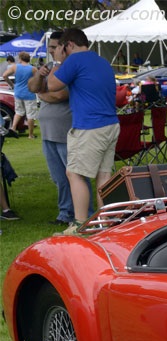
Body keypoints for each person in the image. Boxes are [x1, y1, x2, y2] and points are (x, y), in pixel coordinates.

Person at [38, 27, 118, 227]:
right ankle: (104, 223)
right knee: (104, 175)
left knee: (74, 173)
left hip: (89, 126)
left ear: (69, 45)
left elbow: (52, 85)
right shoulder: (101, 61)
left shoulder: (74, 59)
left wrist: (57, 61)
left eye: (60, 48)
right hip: (110, 124)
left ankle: (80, 225)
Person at [27, 30, 79, 228]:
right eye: (49, 48)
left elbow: (59, 95)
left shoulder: (70, 69)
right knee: (58, 177)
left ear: (65, 47)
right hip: (48, 132)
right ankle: (65, 212)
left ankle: (79, 213)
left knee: (73, 175)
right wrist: (40, 79)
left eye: (55, 47)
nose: (51, 51)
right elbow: (31, 87)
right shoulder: (49, 67)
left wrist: (42, 94)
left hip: (65, 131)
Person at [3, 52, 38, 139]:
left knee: (18, 112)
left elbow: (4, 75)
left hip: (18, 92)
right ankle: (30, 135)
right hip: (29, 93)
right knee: (30, 114)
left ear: (21, 59)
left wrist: (11, 85)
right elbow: (39, 79)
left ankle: (13, 128)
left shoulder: (15, 67)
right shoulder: (33, 69)